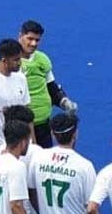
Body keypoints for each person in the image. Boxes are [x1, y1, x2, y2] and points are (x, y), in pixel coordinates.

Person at [18, 20, 78, 148]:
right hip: (21, 126)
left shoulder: (42, 59)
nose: (33, 44)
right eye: (30, 39)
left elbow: (52, 88)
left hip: (44, 124)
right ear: (20, 36)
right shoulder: (13, 62)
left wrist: (64, 102)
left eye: (37, 40)